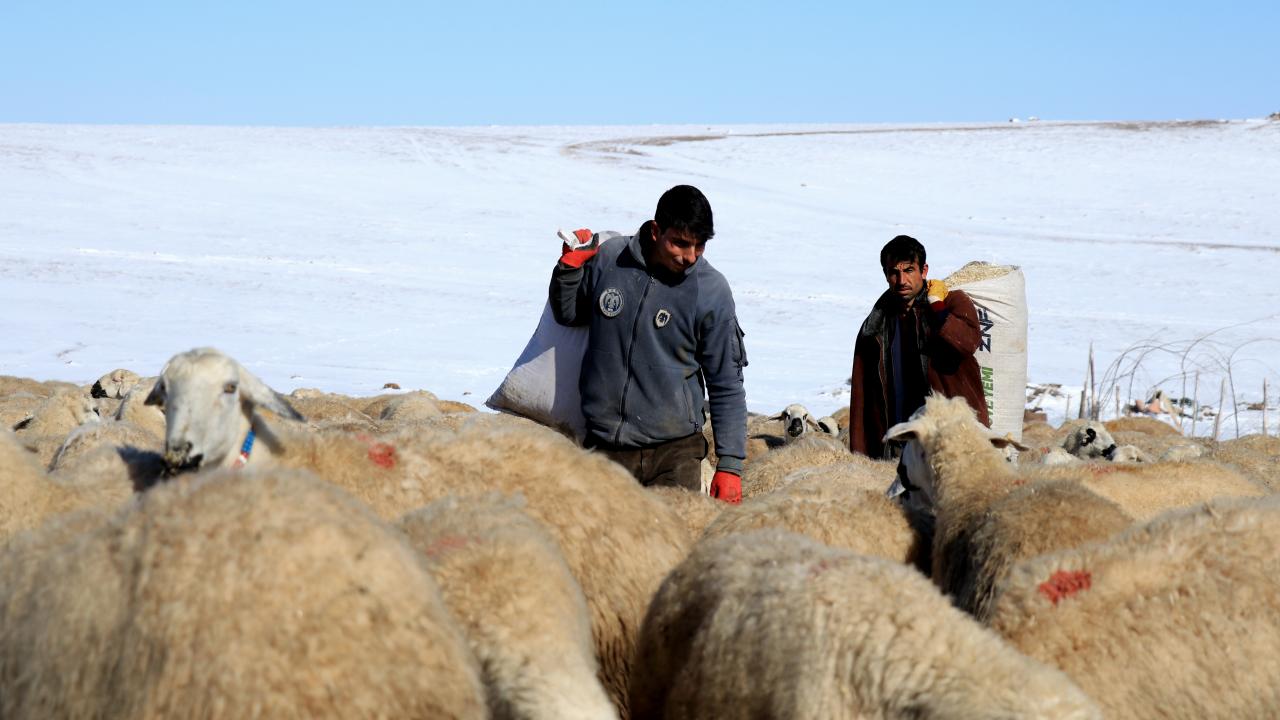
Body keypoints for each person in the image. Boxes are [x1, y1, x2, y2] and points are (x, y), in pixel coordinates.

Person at [549, 185, 747, 504]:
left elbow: (726, 382)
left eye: (699, 245)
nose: (690, 256)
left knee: (669, 536)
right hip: (605, 450)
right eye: (680, 243)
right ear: (656, 231)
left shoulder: (711, 291)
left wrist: (730, 466)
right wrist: (568, 270)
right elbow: (569, 314)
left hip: (675, 454)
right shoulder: (612, 259)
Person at [849, 235, 990, 460]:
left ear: (924, 271)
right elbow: (862, 396)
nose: (901, 280)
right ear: (886, 275)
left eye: (909, 270)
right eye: (894, 272)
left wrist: (938, 307)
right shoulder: (874, 326)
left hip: (949, 437)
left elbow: (968, 342)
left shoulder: (951, 302)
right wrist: (860, 454)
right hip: (897, 440)